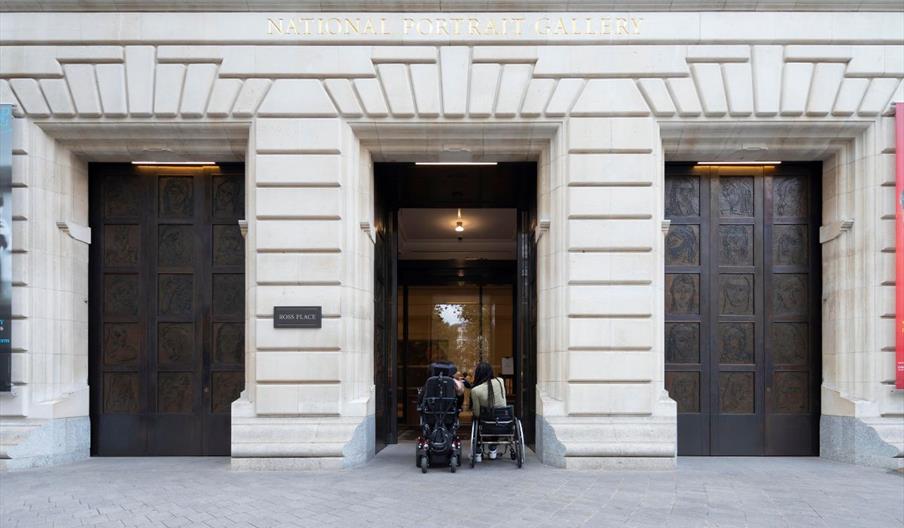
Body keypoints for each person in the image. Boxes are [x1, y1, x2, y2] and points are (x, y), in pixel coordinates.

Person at [469, 361, 507, 461]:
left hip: (486, 423)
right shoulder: (500, 381)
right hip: (503, 421)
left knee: (475, 419)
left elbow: (477, 413)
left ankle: (477, 452)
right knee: (495, 417)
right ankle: (493, 448)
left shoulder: (475, 390)